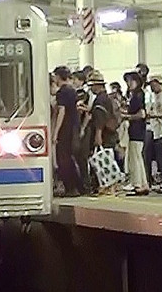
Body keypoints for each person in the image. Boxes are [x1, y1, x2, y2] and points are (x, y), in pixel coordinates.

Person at [88, 71, 120, 195]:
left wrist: (98, 135)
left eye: (92, 86)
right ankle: (111, 186)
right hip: (110, 134)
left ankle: (107, 186)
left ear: (97, 85)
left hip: (104, 135)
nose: (91, 88)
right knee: (108, 159)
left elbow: (100, 119)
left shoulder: (100, 100)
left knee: (104, 161)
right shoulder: (106, 98)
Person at [51, 66, 82, 196]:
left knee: (63, 159)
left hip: (65, 129)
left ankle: (70, 188)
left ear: (58, 76)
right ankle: (76, 186)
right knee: (70, 158)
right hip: (74, 127)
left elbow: (61, 112)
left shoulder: (62, 92)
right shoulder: (72, 91)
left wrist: (55, 133)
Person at [122, 71, 149, 196]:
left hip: (136, 129)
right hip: (137, 129)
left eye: (130, 80)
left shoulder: (137, 96)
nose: (128, 83)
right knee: (138, 157)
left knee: (135, 157)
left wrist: (127, 116)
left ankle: (137, 184)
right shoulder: (137, 95)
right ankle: (143, 183)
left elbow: (142, 114)